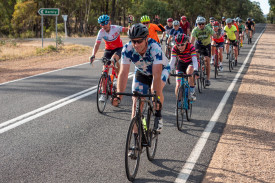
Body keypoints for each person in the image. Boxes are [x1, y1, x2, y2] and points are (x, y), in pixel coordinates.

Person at [112, 23, 170, 132]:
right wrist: (119, 96)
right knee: (136, 105)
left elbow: (156, 75)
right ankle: (136, 142)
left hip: (161, 70)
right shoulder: (127, 49)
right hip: (141, 72)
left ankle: (158, 115)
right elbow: (123, 73)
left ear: (146, 39)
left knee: (154, 91)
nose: (136, 44)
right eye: (134, 41)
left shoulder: (155, 48)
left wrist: (156, 97)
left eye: (139, 41)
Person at [90, 14, 129, 102]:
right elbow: (97, 44)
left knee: (114, 58)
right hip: (108, 50)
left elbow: (127, 29)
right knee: (104, 70)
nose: (104, 25)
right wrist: (93, 55)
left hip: (118, 48)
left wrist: (130, 23)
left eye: (105, 23)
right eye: (101, 24)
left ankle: (117, 78)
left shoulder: (116, 28)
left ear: (109, 22)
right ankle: (104, 93)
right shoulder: (101, 32)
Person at [169, 33, 199, 104]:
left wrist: (195, 70)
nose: (180, 47)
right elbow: (172, 61)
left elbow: (194, 60)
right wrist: (168, 71)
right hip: (181, 63)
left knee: (189, 72)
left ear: (186, 42)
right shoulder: (174, 48)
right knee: (178, 84)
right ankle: (178, 103)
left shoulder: (191, 46)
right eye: (178, 45)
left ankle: (192, 92)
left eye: (182, 44)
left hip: (190, 62)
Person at [191, 16, 216, 86]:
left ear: (205, 23)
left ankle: (208, 79)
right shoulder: (195, 30)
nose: (201, 25)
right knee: (195, 57)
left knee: (207, 60)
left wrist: (214, 35)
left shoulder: (208, 28)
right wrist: (190, 49)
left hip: (206, 45)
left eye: (202, 24)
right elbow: (192, 41)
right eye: (199, 24)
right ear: (197, 24)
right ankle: (196, 73)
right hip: (198, 45)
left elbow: (214, 34)